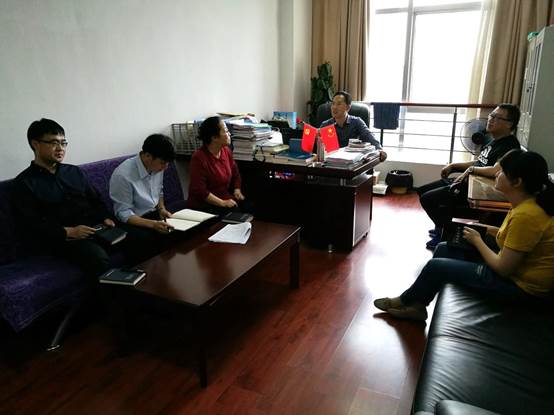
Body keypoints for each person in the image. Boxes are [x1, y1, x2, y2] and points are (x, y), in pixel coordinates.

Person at [374, 150, 554, 321]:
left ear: (517, 182)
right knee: (444, 247)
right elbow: (509, 236)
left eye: (502, 172)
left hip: (521, 290)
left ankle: (405, 300)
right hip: (514, 276)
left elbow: (503, 269)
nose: (496, 174)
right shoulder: (524, 204)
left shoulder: (527, 215)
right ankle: (418, 306)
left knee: (435, 266)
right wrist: (483, 228)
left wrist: (477, 240)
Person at [13, 118, 116, 277]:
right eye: (54, 143)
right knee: (97, 258)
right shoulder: (24, 183)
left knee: (140, 237)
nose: (60, 148)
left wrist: (105, 218)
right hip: (62, 240)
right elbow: (31, 224)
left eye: (63, 143)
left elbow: (95, 199)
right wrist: (68, 232)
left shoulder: (74, 171)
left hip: (95, 229)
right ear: (35, 144)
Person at [419, 103, 521, 249]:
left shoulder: (509, 145)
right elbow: (480, 162)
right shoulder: (492, 140)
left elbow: (495, 170)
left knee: (428, 199)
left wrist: (471, 170)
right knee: (422, 190)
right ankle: (441, 227)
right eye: (491, 115)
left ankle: (447, 234)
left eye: (497, 117)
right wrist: (454, 166)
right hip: (467, 181)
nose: (491, 119)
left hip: (477, 189)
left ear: (509, 124)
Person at [109, 134, 175, 234]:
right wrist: (153, 224)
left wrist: (161, 209)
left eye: (167, 163)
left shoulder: (157, 167)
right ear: (148, 156)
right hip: (134, 220)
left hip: (154, 212)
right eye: (162, 163)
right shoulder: (123, 175)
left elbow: (159, 191)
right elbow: (123, 213)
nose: (165, 168)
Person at [187, 116, 248, 214]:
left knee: (250, 206)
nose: (229, 134)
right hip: (204, 205)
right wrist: (222, 203)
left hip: (224, 199)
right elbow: (200, 191)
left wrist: (237, 189)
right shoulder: (198, 158)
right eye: (226, 131)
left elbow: (235, 174)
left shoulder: (226, 151)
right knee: (237, 213)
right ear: (214, 137)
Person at [319, 91, 387, 162]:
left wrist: (380, 151)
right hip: (331, 163)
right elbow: (321, 151)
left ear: (348, 107)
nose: (334, 107)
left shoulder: (357, 122)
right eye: (333, 104)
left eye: (339, 104)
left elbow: (370, 137)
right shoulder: (326, 125)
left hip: (353, 163)